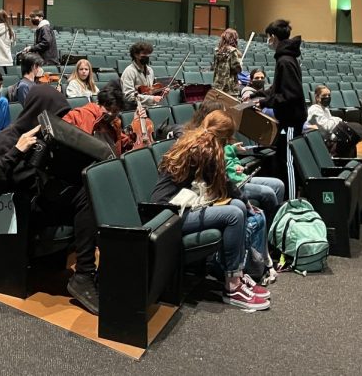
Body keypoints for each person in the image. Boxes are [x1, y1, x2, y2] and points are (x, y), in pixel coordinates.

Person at [0, 85, 100, 314]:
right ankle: (84, 275)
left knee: (90, 193)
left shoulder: (47, 137)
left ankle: (87, 273)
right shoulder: (7, 138)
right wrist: (17, 151)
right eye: (55, 114)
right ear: (38, 111)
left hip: (42, 201)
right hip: (20, 212)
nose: (58, 120)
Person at [150, 110, 271, 311]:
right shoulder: (203, 148)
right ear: (223, 137)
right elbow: (222, 181)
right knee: (234, 214)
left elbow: (224, 184)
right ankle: (233, 287)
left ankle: (236, 276)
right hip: (166, 215)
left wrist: (243, 201)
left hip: (180, 207)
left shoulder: (196, 139)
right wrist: (245, 201)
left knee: (238, 206)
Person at [257, 19, 306, 199]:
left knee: (289, 163)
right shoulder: (287, 57)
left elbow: (289, 95)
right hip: (289, 119)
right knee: (283, 160)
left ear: (273, 37)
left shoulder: (285, 60)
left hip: (291, 120)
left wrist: (264, 103)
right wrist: (258, 95)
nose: (267, 41)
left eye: (268, 37)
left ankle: (292, 204)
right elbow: (277, 88)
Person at [63, 81, 133, 156]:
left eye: (115, 111)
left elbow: (123, 141)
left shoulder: (114, 123)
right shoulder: (82, 113)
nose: (110, 114)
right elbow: (62, 127)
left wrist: (134, 136)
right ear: (99, 104)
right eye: (108, 109)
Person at [121, 41, 162, 109]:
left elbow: (149, 91)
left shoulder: (150, 70)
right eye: (144, 53)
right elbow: (129, 96)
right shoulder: (129, 71)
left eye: (148, 53)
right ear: (135, 55)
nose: (147, 56)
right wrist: (152, 99)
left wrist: (162, 93)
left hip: (149, 107)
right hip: (136, 109)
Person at [212, 29, 242, 95]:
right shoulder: (233, 51)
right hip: (229, 88)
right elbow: (237, 69)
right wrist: (240, 63)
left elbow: (214, 67)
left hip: (218, 85)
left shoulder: (217, 51)